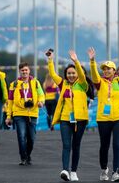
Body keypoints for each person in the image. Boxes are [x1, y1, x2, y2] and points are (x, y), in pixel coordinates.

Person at [89, 46, 119, 182]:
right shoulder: (99, 83)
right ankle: (104, 169)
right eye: (104, 69)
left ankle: (116, 172)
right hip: (103, 119)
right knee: (104, 146)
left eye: (108, 68)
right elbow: (93, 74)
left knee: (117, 145)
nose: (105, 71)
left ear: (114, 71)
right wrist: (92, 61)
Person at [48, 50, 89, 182]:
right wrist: (50, 60)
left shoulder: (83, 84)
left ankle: (74, 171)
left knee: (76, 145)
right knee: (66, 145)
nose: (71, 75)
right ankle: (65, 170)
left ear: (77, 74)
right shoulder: (63, 84)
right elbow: (53, 74)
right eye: (69, 73)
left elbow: (82, 75)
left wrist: (76, 61)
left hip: (80, 119)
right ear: (66, 75)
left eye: (73, 73)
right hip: (66, 119)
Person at [5, 62, 45, 165]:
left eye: (26, 70)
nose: (24, 72)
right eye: (22, 70)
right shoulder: (13, 84)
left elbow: (41, 95)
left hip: (32, 113)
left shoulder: (36, 83)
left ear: (29, 71)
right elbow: (10, 101)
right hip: (19, 113)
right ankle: (23, 158)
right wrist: (8, 116)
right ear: (20, 71)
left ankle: (28, 155)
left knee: (31, 138)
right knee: (21, 136)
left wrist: (41, 102)